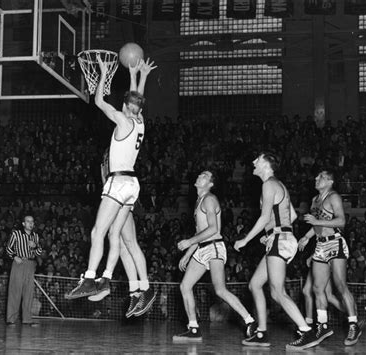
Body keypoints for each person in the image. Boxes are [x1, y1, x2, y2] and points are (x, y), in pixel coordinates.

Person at [65, 53, 156, 320]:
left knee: (98, 232)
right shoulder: (140, 122)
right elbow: (136, 98)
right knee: (116, 236)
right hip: (133, 186)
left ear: (126, 108)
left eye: (125, 104)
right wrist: (138, 75)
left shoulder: (122, 119)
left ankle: (91, 277)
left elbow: (98, 100)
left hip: (118, 182)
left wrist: (105, 73)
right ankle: (108, 280)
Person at [234, 153, 319, 351]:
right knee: (255, 284)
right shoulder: (278, 185)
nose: (253, 162)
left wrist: (246, 239)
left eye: (257, 159)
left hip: (280, 240)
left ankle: (306, 332)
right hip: (280, 238)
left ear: (266, 164)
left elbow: (264, 218)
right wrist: (272, 232)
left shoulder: (268, 184)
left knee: (277, 292)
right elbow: (292, 214)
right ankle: (262, 332)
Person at [173, 170, 256, 343]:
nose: (199, 175)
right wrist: (188, 254)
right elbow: (200, 232)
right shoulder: (199, 201)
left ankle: (250, 321)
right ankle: (193, 328)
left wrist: (188, 242)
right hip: (202, 249)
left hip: (214, 247)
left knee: (220, 289)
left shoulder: (210, 199)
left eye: (204, 175)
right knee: (185, 286)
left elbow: (213, 229)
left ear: (210, 183)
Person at [87, 148, 156, 319]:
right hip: (115, 199)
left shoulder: (118, 159)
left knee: (127, 242)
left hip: (121, 199)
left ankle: (145, 287)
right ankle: (134, 292)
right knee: (124, 246)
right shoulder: (105, 163)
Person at [302, 170, 362, 346]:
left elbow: (341, 221)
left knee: (340, 286)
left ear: (329, 181)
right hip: (320, 245)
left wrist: (315, 222)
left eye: (319, 177)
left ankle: (353, 324)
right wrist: (307, 236)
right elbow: (317, 224)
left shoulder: (333, 196)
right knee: (317, 288)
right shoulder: (315, 200)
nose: (315, 178)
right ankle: (323, 324)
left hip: (335, 243)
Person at [5, 215, 42, 326]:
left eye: (32, 221)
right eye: (28, 221)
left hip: (30, 264)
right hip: (19, 263)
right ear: (23, 223)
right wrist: (15, 256)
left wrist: (35, 247)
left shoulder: (35, 236)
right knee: (15, 290)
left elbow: (39, 252)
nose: (30, 223)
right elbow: (8, 248)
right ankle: (11, 319)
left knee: (28, 292)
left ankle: (27, 319)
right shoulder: (16, 234)